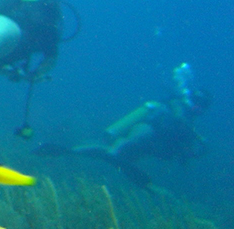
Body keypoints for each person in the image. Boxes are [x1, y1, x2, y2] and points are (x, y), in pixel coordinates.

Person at [35, 62, 212, 186]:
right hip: (147, 130)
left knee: (118, 155)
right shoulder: (177, 106)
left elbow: (182, 151)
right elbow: (170, 122)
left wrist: (188, 152)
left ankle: (81, 153)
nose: (197, 108)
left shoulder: (190, 123)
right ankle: (79, 151)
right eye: (197, 104)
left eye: (201, 107)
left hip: (151, 146)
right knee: (119, 149)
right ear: (191, 98)